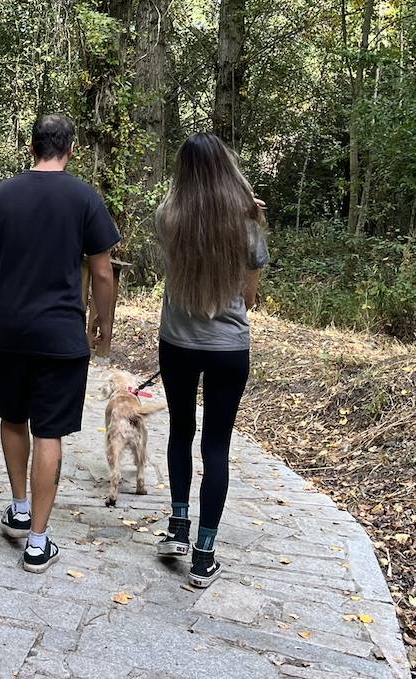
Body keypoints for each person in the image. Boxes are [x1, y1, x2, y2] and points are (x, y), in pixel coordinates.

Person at [0, 114, 120, 573]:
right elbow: (102, 270)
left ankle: (18, 506)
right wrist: (103, 324)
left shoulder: (2, 194)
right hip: (60, 337)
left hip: (9, 331)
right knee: (47, 431)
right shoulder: (84, 198)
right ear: (69, 149)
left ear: (31, 147)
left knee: (13, 418)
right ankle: (38, 541)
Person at [152, 133, 269, 589]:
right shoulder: (246, 223)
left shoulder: (167, 217)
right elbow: (251, 296)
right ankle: (204, 554)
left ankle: (177, 528)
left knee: (181, 430)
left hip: (177, 341)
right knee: (216, 446)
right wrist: (252, 213)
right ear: (227, 170)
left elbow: (177, 208)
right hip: (229, 347)